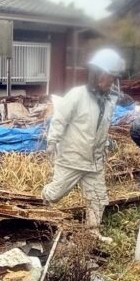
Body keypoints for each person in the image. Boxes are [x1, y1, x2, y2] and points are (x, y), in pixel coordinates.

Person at [43, 46, 126, 237]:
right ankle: (37, 208)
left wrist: (106, 143)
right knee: (55, 194)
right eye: (109, 76)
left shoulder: (109, 100)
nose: (111, 81)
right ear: (96, 74)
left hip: (94, 160)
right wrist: (52, 141)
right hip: (72, 158)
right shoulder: (77, 95)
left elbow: (100, 126)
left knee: (97, 197)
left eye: (113, 77)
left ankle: (93, 232)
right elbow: (60, 119)